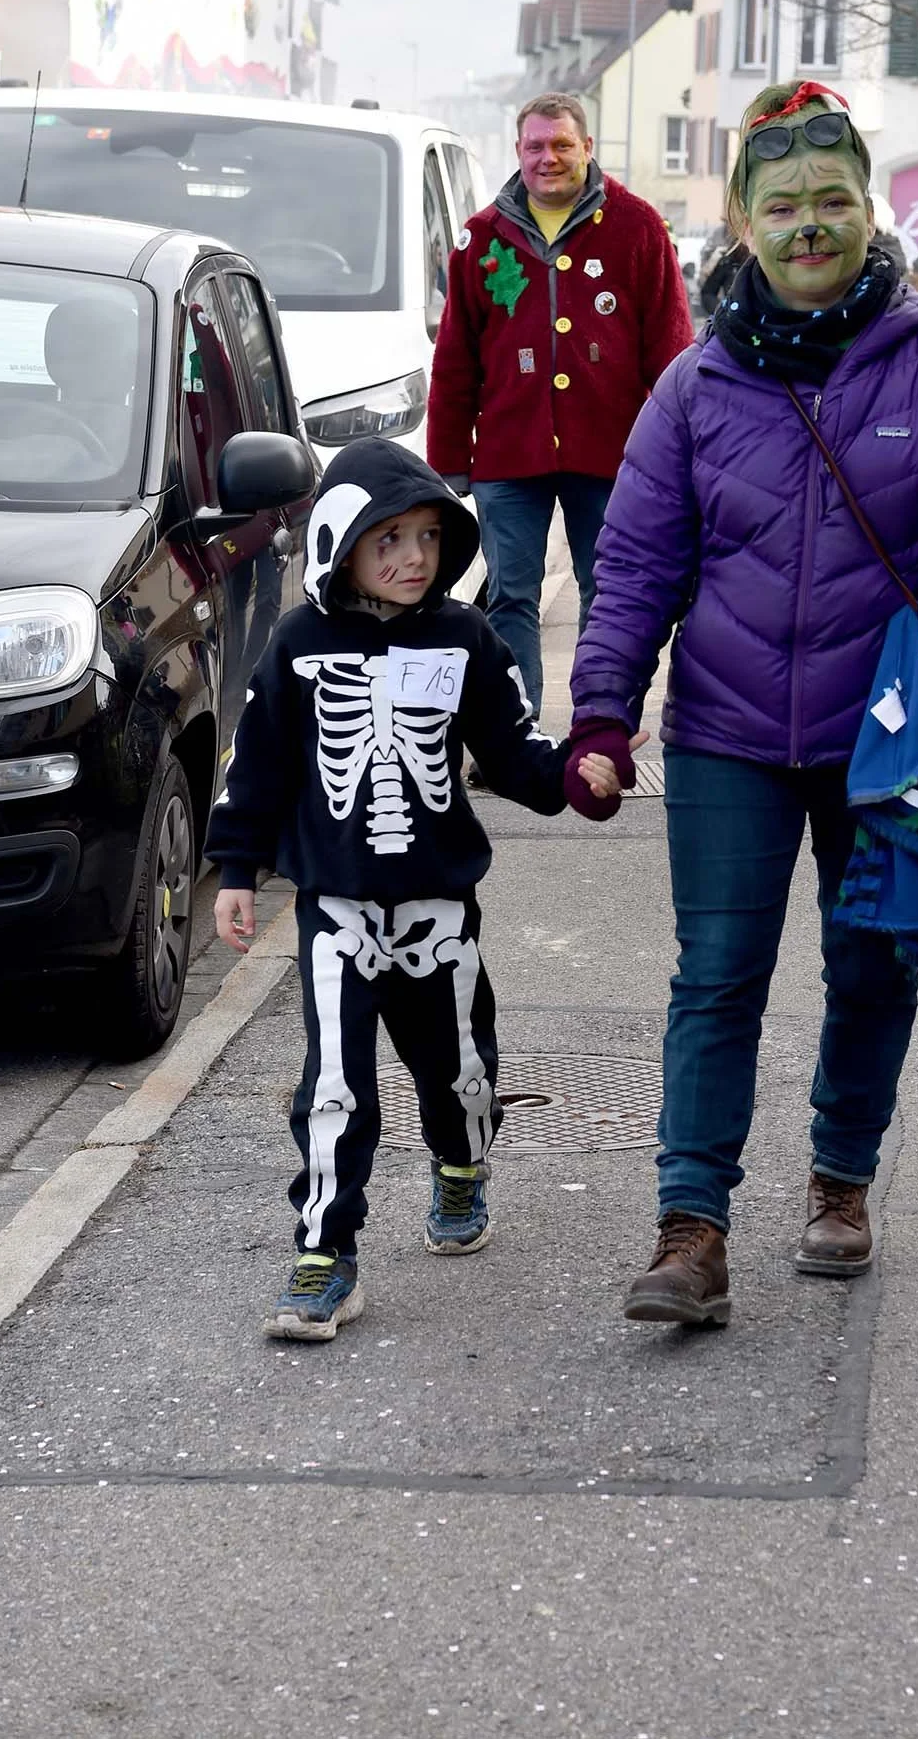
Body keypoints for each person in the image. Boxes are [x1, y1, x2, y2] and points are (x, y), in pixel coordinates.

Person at [563, 79, 918, 1327]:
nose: (806, 227)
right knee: (715, 975)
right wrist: (601, 715)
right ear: (742, 221)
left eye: (829, 200)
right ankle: (691, 1231)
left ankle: (840, 1180)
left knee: (870, 968)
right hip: (727, 732)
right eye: (779, 206)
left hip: (885, 750)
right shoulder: (692, 386)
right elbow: (633, 565)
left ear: (866, 209)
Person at [204, 438, 626, 1341]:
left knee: (459, 1071)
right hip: (337, 908)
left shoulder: (465, 638)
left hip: (438, 907)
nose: (412, 558)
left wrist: (572, 780)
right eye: (386, 538)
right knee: (335, 1084)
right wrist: (235, 868)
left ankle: (463, 1161)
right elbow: (259, 764)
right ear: (340, 544)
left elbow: (512, 749)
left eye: (428, 537)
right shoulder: (298, 643)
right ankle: (324, 1252)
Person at [426, 90, 693, 718]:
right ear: (518, 152)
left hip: (612, 452)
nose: (549, 159)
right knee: (510, 597)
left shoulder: (637, 226)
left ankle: (601, 722)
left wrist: (678, 449)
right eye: (535, 147)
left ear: (587, 149)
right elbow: (456, 356)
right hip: (507, 453)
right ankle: (518, 733)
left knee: (609, 593)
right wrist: (448, 456)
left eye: (562, 146)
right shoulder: (481, 238)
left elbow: (672, 350)